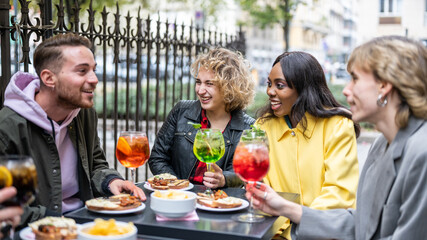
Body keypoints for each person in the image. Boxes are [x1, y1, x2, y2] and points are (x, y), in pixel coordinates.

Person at [247, 36, 427, 239]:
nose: (345, 89)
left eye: (355, 79)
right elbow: (360, 225)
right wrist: (287, 209)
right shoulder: (380, 146)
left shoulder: (421, 153)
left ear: (384, 86)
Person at [0, 33, 145, 228]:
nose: (94, 79)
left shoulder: (84, 114)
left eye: (94, 70)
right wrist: (62, 223)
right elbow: (8, 206)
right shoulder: (9, 128)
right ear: (49, 78)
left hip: (86, 219)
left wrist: (110, 181)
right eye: (82, 71)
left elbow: (95, 163)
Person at [255, 51, 360, 238]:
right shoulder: (263, 127)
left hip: (324, 233)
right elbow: (258, 184)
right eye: (269, 84)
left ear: (304, 89)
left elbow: (339, 193)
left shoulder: (338, 126)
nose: (270, 91)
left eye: (280, 85)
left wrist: (298, 225)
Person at [149, 48, 255, 188]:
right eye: (198, 82)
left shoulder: (248, 127)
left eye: (209, 84)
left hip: (218, 203)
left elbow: (246, 173)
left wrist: (224, 179)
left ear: (230, 87)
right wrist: (178, 187)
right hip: (178, 198)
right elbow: (158, 157)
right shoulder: (181, 111)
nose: (200, 90)